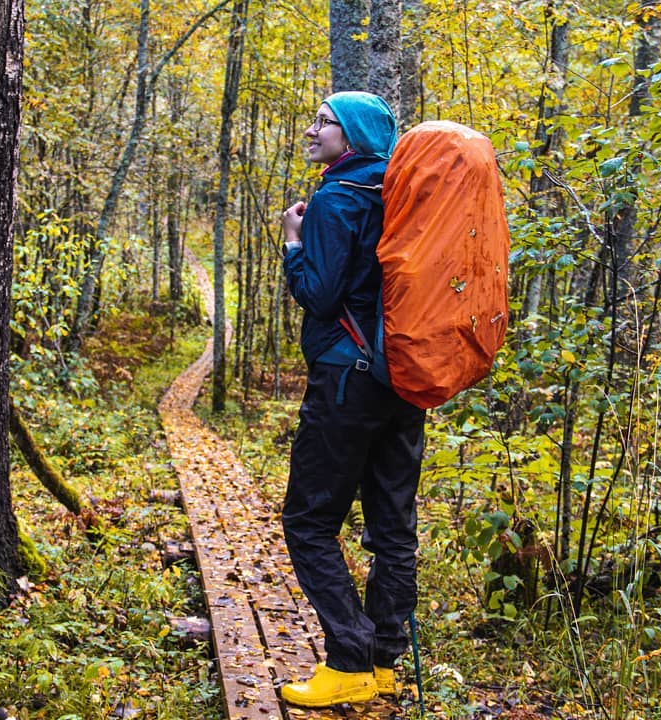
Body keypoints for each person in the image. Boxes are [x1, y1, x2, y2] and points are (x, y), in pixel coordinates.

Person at [279, 91, 427, 708]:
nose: (312, 129)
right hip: (404, 378)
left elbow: (318, 294)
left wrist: (292, 242)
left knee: (308, 522)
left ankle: (349, 658)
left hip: (346, 378)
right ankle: (386, 661)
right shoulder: (395, 191)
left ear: (355, 135)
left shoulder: (338, 197)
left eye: (324, 122)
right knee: (392, 528)